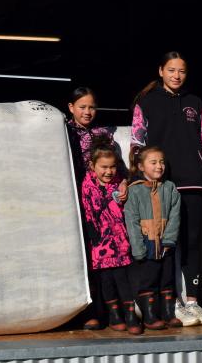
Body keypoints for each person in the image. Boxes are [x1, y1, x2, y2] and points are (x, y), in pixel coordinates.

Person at [130, 51, 202, 326]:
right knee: (165, 244)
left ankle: (193, 301)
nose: (177, 75)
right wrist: (138, 178)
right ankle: (171, 302)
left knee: (191, 243)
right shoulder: (147, 102)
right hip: (161, 186)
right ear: (161, 71)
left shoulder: (195, 102)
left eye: (182, 71)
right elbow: (136, 141)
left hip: (193, 182)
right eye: (171, 70)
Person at [66, 87, 127, 329]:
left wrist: (123, 182)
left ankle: (112, 311)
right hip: (77, 200)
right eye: (82, 107)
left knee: (105, 259)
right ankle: (89, 311)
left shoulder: (103, 134)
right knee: (82, 258)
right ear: (71, 107)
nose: (88, 112)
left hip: (104, 206)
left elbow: (118, 167)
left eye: (91, 107)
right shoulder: (64, 131)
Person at [81, 139, 142, 335]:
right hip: (101, 244)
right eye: (104, 167)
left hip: (120, 241)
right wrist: (95, 238)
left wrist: (124, 183)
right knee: (106, 282)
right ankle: (114, 316)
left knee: (124, 281)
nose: (109, 172)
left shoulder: (119, 183)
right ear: (92, 165)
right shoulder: (87, 185)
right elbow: (88, 212)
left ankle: (130, 315)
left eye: (113, 167)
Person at [125, 146, 182, 329]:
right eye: (154, 162)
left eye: (162, 162)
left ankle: (168, 313)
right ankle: (149, 316)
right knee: (148, 280)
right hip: (146, 243)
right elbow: (131, 221)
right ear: (141, 167)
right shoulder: (134, 191)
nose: (159, 166)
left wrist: (169, 239)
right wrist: (138, 249)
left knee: (167, 279)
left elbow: (175, 215)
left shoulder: (170, 188)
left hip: (165, 243)